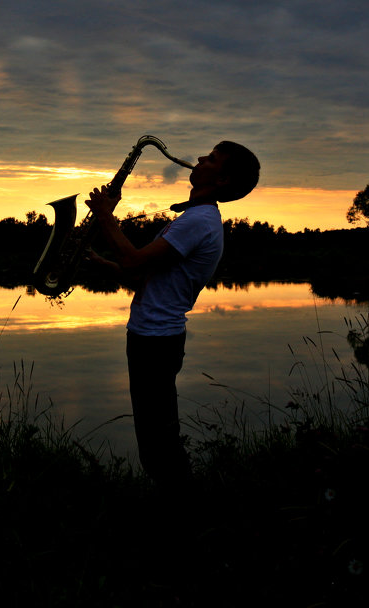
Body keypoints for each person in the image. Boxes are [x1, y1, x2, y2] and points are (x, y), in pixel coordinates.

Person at [85, 140, 259, 486]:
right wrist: (98, 261)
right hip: (151, 336)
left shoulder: (198, 221)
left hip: (155, 341)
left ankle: (180, 518)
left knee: (158, 443)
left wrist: (105, 216)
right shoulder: (193, 218)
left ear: (222, 180)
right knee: (155, 438)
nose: (198, 158)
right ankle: (177, 512)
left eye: (211, 159)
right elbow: (141, 274)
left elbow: (134, 260)